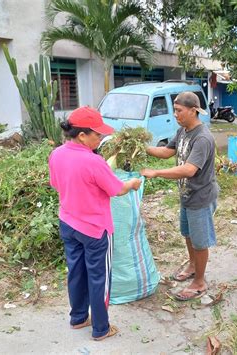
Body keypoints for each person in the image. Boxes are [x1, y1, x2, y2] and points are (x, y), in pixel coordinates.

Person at [49, 106, 141, 341]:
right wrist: (131, 184)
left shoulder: (57, 154)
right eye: (97, 135)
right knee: (99, 276)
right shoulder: (93, 161)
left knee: (76, 272)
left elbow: (56, 184)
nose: (100, 138)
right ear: (82, 135)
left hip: (68, 223)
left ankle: (78, 318)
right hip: (95, 230)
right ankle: (101, 328)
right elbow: (117, 189)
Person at [141, 92, 218, 301]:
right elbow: (168, 152)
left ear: (193, 110)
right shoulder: (183, 130)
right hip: (186, 195)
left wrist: (156, 172)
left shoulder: (202, 138)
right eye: (175, 110)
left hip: (200, 197)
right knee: (188, 233)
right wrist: (142, 147)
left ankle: (200, 282)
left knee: (200, 241)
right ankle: (192, 265)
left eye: (179, 111)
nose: (175, 114)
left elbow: (189, 170)